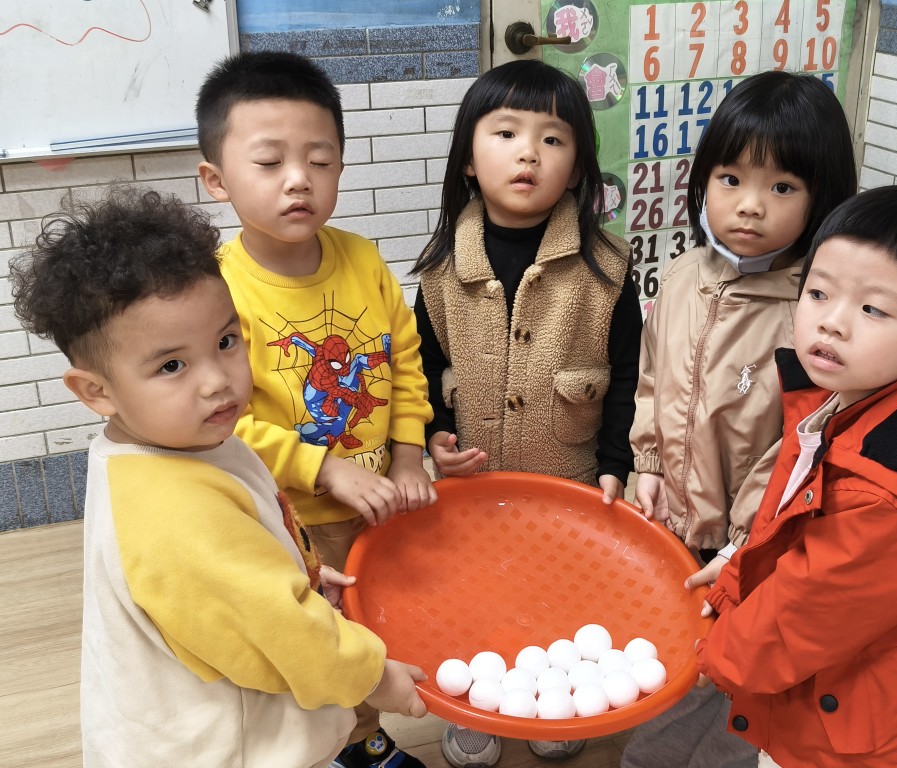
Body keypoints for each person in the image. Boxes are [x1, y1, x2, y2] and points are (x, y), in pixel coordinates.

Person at [8, 186, 428, 768]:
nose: (218, 380)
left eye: (227, 342)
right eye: (172, 365)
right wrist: (374, 677)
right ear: (96, 391)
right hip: (219, 748)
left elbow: (238, 572)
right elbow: (284, 633)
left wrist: (296, 574)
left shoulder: (186, 441)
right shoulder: (171, 511)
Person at [696, 185, 897, 767]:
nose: (832, 323)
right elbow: (790, 528)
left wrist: (708, 658)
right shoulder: (844, 404)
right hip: (829, 693)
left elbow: (802, 615)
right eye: (819, 293)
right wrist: (737, 574)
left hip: (856, 740)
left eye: (873, 309)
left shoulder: (887, 494)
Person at [195, 51, 435, 768]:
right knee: (322, 640)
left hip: (383, 503)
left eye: (320, 160)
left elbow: (403, 361)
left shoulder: (363, 260)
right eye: (270, 162)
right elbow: (222, 421)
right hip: (291, 517)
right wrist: (324, 469)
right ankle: (352, 746)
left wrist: (409, 455)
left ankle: (368, 730)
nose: (299, 178)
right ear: (216, 180)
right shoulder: (214, 292)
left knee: (383, 625)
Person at [411, 59, 642, 767]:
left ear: (576, 170)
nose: (529, 154)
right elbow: (419, 368)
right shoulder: (441, 268)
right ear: (468, 160)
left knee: (560, 597)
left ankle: (555, 696)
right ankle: (476, 704)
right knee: (474, 596)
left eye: (553, 139)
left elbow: (628, 377)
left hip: (568, 482)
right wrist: (433, 436)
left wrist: (617, 462)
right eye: (506, 133)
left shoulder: (608, 268)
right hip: (471, 490)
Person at [623, 70, 857, 768]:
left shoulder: (810, 314)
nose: (750, 205)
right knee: (681, 650)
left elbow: (800, 443)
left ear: (822, 198)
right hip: (678, 522)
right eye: (730, 179)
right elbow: (653, 377)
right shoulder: (684, 276)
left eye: (782, 187)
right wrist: (647, 462)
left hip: (753, 545)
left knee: (735, 672)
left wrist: (747, 541)